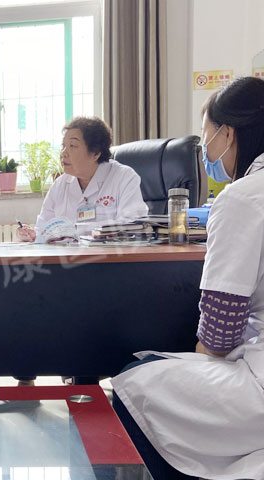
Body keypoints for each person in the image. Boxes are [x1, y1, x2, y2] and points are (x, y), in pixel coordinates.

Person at [111, 76, 264, 480]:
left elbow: (219, 334)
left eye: (206, 136)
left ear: (228, 133)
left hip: (258, 391)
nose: (206, 151)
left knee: (132, 384)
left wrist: (196, 366)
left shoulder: (244, 197)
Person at [17, 116, 148, 242]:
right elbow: (42, 230)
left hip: (108, 255)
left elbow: (132, 226)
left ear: (95, 153)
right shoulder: (60, 184)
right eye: (63, 146)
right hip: (66, 255)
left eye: (73, 146)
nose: (63, 153)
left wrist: (78, 229)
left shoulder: (124, 177)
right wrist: (32, 235)